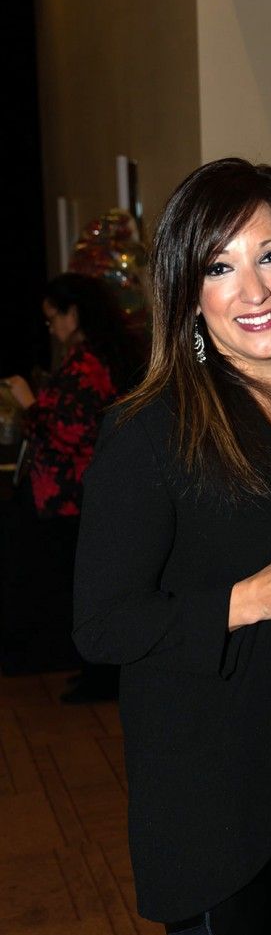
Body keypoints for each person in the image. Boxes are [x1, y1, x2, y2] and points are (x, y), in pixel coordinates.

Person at [72, 158, 271, 935]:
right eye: (220, 267)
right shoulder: (152, 432)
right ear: (187, 292)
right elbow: (102, 624)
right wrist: (255, 599)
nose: (254, 291)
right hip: (222, 785)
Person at [0, 272, 142, 689]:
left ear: (74, 314)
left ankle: (97, 675)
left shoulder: (88, 363)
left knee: (75, 587)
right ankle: (89, 671)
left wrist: (29, 403)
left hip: (74, 496)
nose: (51, 328)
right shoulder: (92, 357)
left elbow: (71, 432)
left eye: (53, 318)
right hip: (73, 494)